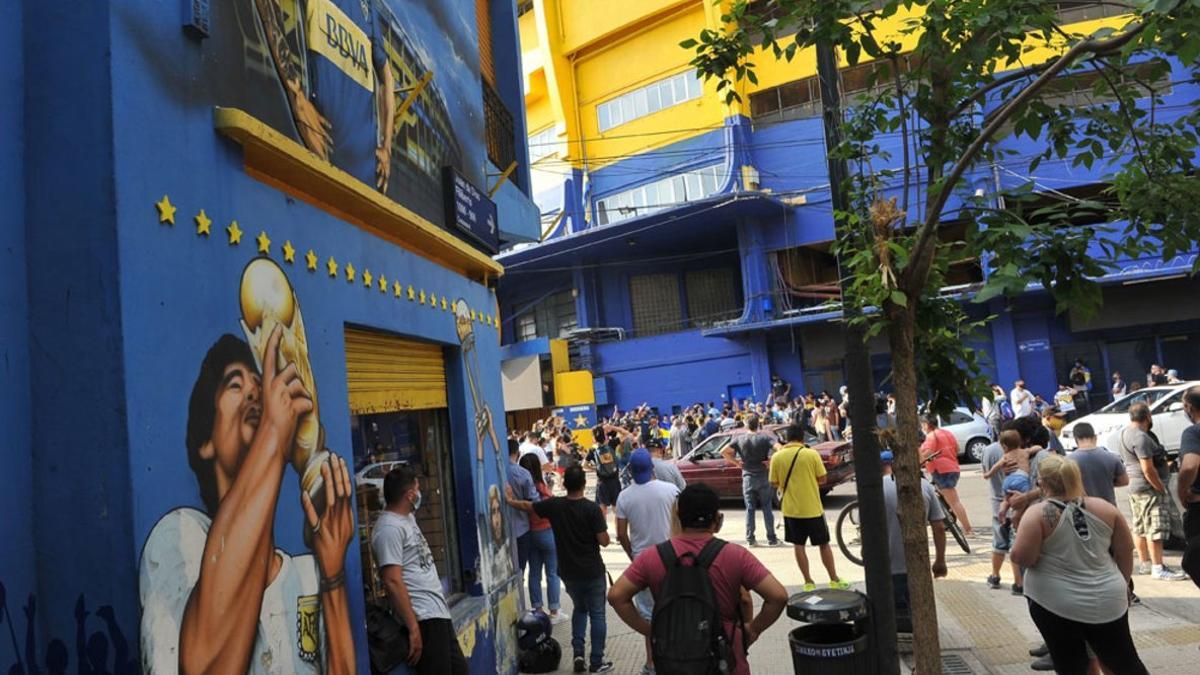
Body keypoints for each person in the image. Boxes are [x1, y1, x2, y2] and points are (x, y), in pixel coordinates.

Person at [140, 332, 355, 674]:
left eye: (260, 385)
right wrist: (271, 436)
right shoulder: (179, 540)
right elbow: (207, 667)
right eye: (235, 385)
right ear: (205, 441)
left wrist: (333, 575)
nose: (257, 392)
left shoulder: (306, 575)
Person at [607, 484, 789, 675]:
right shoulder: (735, 555)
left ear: (678, 514)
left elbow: (616, 596)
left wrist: (650, 630)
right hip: (725, 655)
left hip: (673, 655)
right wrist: (753, 629)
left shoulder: (652, 556)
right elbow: (777, 596)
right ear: (717, 519)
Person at [1010, 455, 1149, 675]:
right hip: (1108, 598)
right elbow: (1125, 551)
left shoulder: (1036, 514)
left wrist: (1018, 528)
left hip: (1055, 603)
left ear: (1042, 483)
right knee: (1123, 661)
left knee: (1072, 664)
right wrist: (1123, 583)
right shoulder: (1106, 508)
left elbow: (1023, 557)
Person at [507, 465, 614, 673]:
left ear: (565, 485)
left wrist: (510, 501)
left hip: (569, 573)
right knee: (598, 615)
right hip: (592, 571)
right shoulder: (591, 509)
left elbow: (529, 506)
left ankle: (578, 654)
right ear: (584, 484)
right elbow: (605, 541)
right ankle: (597, 661)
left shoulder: (555, 506)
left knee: (579, 610)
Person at [372, 466, 468, 674]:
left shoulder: (407, 518)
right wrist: (413, 628)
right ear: (410, 495)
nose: (420, 493)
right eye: (417, 488)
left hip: (438, 613)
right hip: (423, 618)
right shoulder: (388, 529)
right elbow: (392, 580)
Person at [615, 449, 681, 675]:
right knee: (674, 609)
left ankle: (652, 663)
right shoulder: (671, 490)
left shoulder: (624, 496)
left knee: (648, 614)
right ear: (652, 469)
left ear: (631, 471)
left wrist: (632, 555)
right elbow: (682, 523)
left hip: (642, 562)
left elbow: (621, 533)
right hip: (670, 557)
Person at [769, 422, 850, 590]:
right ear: (801, 437)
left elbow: (774, 482)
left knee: (799, 545)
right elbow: (823, 479)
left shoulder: (777, 457)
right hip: (813, 508)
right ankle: (834, 579)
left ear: (786, 439)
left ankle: (808, 582)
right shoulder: (811, 454)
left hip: (791, 510)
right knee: (823, 544)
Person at [1113, 402, 1187, 580]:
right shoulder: (1141, 437)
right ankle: (1158, 567)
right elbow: (1148, 468)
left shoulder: (1125, 433)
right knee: (1155, 528)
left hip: (1135, 488)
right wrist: (1160, 487)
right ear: (1148, 416)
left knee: (1140, 527)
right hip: (1148, 489)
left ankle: (1146, 563)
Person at [879, 450, 947, 631]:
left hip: (886, 565)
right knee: (917, 612)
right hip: (917, 564)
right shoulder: (924, 486)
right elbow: (939, 528)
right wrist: (940, 560)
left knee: (890, 615)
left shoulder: (877, 489)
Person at [721, 415, 780, 547]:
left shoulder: (739, 439)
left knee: (750, 509)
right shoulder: (765, 438)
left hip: (748, 476)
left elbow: (723, 451)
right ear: (758, 424)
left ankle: (750, 539)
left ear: (747, 425)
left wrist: (737, 463)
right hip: (763, 476)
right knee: (767, 507)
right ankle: (772, 538)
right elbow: (779, 448)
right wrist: (770, 462)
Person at [980, 423, 1024, 594]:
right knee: (1015, 543)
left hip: (997, 502)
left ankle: (995, 575)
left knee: (998, 542)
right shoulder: (1022, 451)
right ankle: (1018, 583)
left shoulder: (989, 450)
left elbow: (986, 472)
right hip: (1017, 503)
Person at [519, 454, 563, 624]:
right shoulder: (541, 487)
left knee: (534, 573)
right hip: (546, 531)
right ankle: (554, 610)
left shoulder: (520, 486)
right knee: (552, 573)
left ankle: (537, 608)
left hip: (529, 532)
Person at [920, 414, 973, 536]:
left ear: (926, 425)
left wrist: (919, 460)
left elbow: (928, 452)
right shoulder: (947, 433)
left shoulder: (931, 436)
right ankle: (947, 521)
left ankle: (968, 529)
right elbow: (957, 448)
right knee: (944, 496)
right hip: (953, 467)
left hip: (941, 470)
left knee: (954, 501)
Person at [981, 430, 1039, 531]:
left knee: (1006, 499)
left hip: (1008, 480)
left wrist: (988, 474)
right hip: (1022, 480)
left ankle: (1003, 510)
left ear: (1004, 447)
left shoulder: (1006, 456)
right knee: (1022, 503)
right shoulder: (1025, 452)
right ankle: (1016, 520)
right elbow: (1038, 448)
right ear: (1020, 443)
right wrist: (1038, 448)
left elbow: (997, 466)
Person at [1066, 422, 1128, 506]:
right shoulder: (1112, 457)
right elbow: (1124, 481)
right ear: (1094, 437)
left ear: (1076, 439)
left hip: (1082, 510)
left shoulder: (1068, 461)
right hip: (1108, 508)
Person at [1175, 387, 1200, 586]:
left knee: (1192, 560)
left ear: (1189, 407)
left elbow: (1190, 464)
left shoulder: (1193, 432)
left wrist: (1182, 491)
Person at [506, 438, 539, 572]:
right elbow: (534, 501)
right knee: (520, 570)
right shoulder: (523, 474)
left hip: (500, 532)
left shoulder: (497, 471)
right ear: (517, 453)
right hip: (521, 528)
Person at [586, 426, 624, 518]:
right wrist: (613, 427)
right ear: (605, 435)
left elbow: (584, 465)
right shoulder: (612, 444)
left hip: (602, 483)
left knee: (602, 510)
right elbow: (626, 434)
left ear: (594, 438)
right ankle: (619, 530)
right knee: (617, 510)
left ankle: (603, 531)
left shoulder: (593, 450)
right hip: (614, 481)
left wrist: (596, 469)